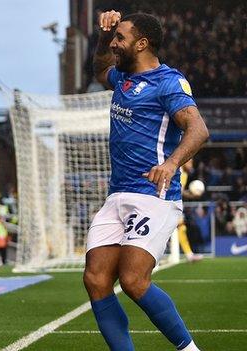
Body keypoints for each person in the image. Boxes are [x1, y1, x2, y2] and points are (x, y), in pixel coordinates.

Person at [84, 11, 209, 351]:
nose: (114, 43)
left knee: (134, 280)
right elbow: (98, 69)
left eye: (119, 38)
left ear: (141, 44)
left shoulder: (169, 82)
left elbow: (198, 129)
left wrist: (171, 164)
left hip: (154, 195)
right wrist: (102, 34)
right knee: (95, 279)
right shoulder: (122, 77)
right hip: (117, 195)